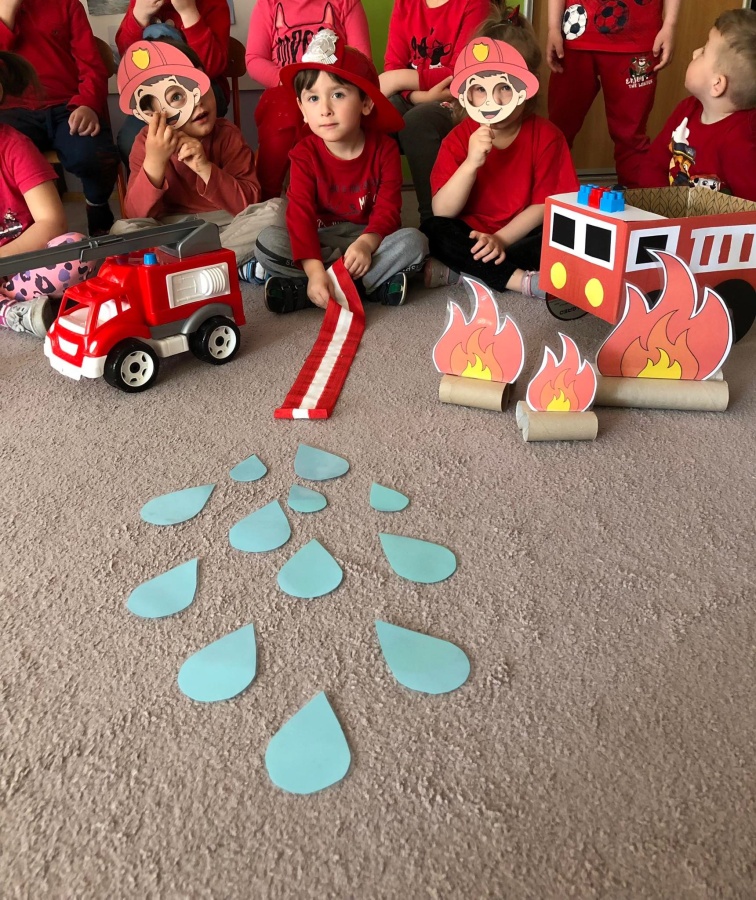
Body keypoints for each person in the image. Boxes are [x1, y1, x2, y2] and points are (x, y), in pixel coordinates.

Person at [255, 29, 429, 312]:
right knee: (267, 242)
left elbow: (388, 211)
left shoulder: (385, 149)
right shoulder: (303, 154)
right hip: (321, 241)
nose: (325, 109)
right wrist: (314, 270)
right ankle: (356, 286)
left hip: (368, 241)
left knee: (415, 243)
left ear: (366, 102)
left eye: (337, 94)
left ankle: (311, 292)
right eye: (313, 99)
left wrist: (367, 244)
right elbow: (299, 216)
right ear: (301, 108)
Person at [421, 9, 578, 298]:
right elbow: (443, 210)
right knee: (433, 230)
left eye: (505, 87)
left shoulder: (548, 137)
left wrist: (501, 239)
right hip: (470, 235)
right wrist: (471, 164)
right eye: (480, 89)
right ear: (467, 92)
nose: (493, 100)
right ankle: (519, 281)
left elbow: (546, 205)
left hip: (520, 235)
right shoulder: (459, 139)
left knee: (567, 233)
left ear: (528, 87)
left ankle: (465, 272)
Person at [114, 41, 282, 271]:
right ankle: (210, 265)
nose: (198, 100)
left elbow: (250, 202)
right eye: (176, 96)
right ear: (152, 113)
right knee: (122, 230)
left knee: (276, 212)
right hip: (169, 230)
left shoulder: (227, 135)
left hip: (224, 225)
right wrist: (155, 162)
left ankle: (182, 268)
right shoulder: (146, 143)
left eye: (201, 86)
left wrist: (205, 168)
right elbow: (135, 214)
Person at [0, 0, 119, 236]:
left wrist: (87, 104)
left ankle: (97, 206)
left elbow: (92, 65)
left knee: (93, 153)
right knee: (9, 160)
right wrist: (6, 15)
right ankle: (25, 229)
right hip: (12, 110)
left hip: (67, 105)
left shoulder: (67, 4)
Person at [0, 52, 93, 337]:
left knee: (78, 249)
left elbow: (51, 222)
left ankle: (10, 303)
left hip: (23, 264)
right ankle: (10, 312)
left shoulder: (15, 147)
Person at [546, 0, 680, 189]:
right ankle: (545, 194)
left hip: (638, 42)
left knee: (630, 136)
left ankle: (635, 201)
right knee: (558, 127)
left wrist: (670, 24)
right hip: (575, 39)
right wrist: (553, 27)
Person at [245, 0, 371, 201]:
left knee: (340, 108)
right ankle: (267, 196)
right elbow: (254, 59)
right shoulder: (268, 5)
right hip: (284, 88)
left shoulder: (346, 3)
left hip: (333, 86)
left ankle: (333, 195)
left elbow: (361, 59)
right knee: (281, 113)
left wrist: (326, 86)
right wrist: (288, 80)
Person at [379, 0, 490, 224]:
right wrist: (419, 96)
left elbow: (461, 72)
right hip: (415, 95)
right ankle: (377, 219)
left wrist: (399, 79)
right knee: (376, 117)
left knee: (418, 123)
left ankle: (432, 222)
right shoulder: (404, 4)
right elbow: (393, 65)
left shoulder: (475, 4)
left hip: (458, 100)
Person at [638, 8, 756, 202]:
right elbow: (654, 164)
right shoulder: (687, 109)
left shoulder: (741, 142)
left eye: (704, 52)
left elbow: (748, 208)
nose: (695, 53)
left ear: (717, 84)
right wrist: (654, 205)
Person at [115, 0, 231, 166]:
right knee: (130, 140)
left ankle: (196, 175)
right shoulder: (139, 2)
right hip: (154, 97)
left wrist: (188, 12)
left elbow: (211, 67)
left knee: (198, 140)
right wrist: (139, 15)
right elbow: (127, 59)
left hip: (205, 89)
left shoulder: (213, 3)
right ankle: (155, 179)